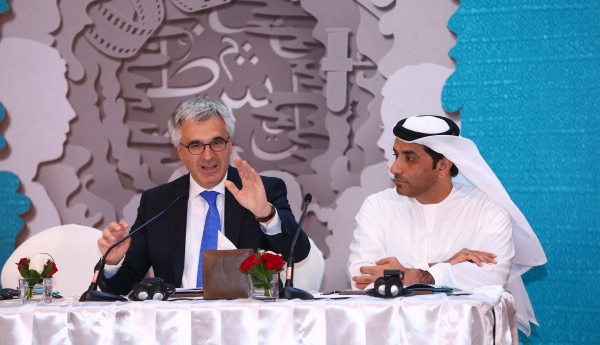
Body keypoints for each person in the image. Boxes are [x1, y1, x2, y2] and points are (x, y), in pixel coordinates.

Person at [348, 115, 546, 335]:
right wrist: (444, 267)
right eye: (396, 155)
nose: (394, 168)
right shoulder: (377, 206)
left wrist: (415, 276)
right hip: (393, 334)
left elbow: (492, 279)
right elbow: (362, 278)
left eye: (410, 158)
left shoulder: (487, 210)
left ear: (443, 166)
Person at [97, 96, 311, 295]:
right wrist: (112, 263)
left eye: (217, 142)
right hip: (176, 317)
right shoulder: (157, 203)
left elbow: (298, 252)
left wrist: (265, 213)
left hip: (245, 316)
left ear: (230, 144)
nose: (208, 156)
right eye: (196, 145)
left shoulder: (263, 191)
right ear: (180, 152)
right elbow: (120, 287)